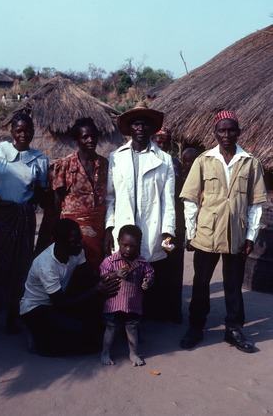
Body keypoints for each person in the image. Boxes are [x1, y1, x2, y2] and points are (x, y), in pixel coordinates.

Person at [180, 110, 267, 352]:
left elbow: (255, 205)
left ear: (238, 132)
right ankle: (196, 327)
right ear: (215, 133)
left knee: (233, 283)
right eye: (222, 130)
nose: (226, 134)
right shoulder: (203, 161)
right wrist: (191, 233)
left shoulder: (250, 162)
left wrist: (250, 237)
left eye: (231, 130)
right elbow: (190, 200)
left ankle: (234, 329)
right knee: (201, 282)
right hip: (206, 233)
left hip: (236, 234)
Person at [0, 114, 49, 334]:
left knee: (19, 265)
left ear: (33, 131)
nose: (23, 135)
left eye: (27, 130)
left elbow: (41, 192)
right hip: (2, 216)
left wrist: (28, 203)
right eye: (18, 130)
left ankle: (11, 316)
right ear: (12, 132)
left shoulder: (40, 159)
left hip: (24, 218)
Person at [104, 101, 176, 320]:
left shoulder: (164, 160)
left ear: (152, 128)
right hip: (124, 228)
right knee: (123, 272)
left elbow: (168, 200)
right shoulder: (116, 157)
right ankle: (123, 318)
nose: (140, 128)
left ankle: (142, 320)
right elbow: (110, 197)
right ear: (129, 128)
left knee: (147, 271)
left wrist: (168, 230)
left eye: (145, 124)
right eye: (136, 124)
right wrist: (109, 228)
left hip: (151, 226)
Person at [20, 218, 121, 357]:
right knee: (77, 335)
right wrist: (95, 290)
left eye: (80, 239)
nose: (80, 244)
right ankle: (36, 336)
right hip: (37, 307)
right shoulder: (46, 266)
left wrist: (108, 280)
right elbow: (59, 303)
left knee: (94, 331)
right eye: (75, 241)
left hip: (59, 300)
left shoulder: (77, 251)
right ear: (59, 242)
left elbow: (88, 278)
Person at [151, 129, 199, 323]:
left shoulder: (176, 164)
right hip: (153, 224)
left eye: (166, 141)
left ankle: (172, 311)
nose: (162, 144)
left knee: (172, 265)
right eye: (159, 141)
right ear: (152, 141)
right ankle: (151, 311)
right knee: (153, 265)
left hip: (175, 226)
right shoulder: (146, 162)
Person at [51, 118, 108, 274]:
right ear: (76, 140)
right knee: (73, 269)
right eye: (85, 137)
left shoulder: (105, 165)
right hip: (72, 231)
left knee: (96, 268)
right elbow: (57, 200)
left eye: (93, 136)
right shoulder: (65, 165)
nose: (90, 140)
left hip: (98, 227)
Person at [100, 225, 154, 366]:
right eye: (125, 245)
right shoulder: (111, 261)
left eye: (133, 246)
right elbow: (103, 276)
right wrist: (114, 275)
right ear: (118, 241)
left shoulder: (142, 263)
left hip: (133, 304)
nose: (128, 249)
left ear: (139, 244)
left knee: (132, 328)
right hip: (114, 304)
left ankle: (133, 353)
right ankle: (105, 352)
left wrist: (147, 282)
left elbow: (150, 274)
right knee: (111, 328)